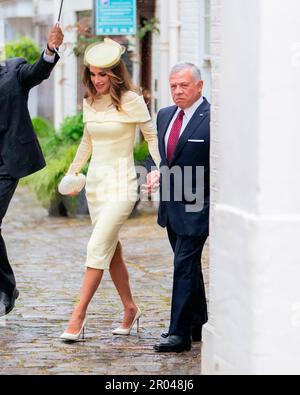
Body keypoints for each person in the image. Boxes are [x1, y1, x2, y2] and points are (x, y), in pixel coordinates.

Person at [60, 38, 161, 342]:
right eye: (92, 74)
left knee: (96, 247)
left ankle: (78, 315)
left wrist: (160, 170)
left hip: (123, 184)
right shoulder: (89, 102)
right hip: (96, 187)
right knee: (111, 250)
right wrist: (73, 172)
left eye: (102, 74)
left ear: (115, 73)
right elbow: (87, 141)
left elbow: (152, 138)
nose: (97, 80)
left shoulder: (132, 100)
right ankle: (130, 309)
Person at [144, 63, 210, 353]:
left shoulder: (213, 119)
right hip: (171, 206)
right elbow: (159, 156)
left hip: (199, 205)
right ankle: (198, 323)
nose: (178, 91)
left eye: (184, 85)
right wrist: (155, 170)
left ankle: (178, 334)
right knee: (189, 265)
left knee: (183, 265)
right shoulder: (164, 115)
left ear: (199, 86)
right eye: (173, 86)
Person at [0, 25, 64, 317]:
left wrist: (49, 50)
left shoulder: (13, 71)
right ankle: (6, 287)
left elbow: (38, 71)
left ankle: (5, 287)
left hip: (6, 162)